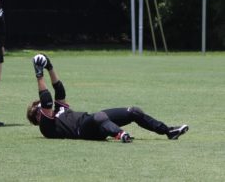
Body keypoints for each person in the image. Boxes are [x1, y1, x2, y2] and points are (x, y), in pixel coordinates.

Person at [27, 54, 189, 142]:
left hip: (94, 121)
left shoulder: (59, 110)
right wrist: (39, 73)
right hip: (83, 131)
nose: (41, 108)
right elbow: (47, 98)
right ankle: (120, 134)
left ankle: (168, 131)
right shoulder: (47, 127)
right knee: (98, 116)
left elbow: (59, 89)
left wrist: (49, 66)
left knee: (133, 111)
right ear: (37, 117)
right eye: (37, 110)